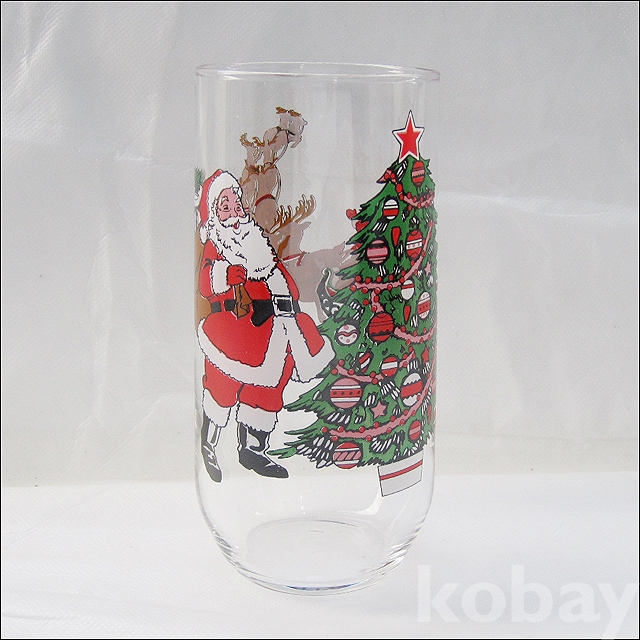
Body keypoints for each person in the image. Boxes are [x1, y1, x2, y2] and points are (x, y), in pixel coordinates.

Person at [196, 170, 334, 481]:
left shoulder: (256, 242)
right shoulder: (217, 243)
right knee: (222, 385)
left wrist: (288, 300)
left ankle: (253, 449)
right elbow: (205, 281)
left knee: (268, 386)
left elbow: (278, 276)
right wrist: (226, 275)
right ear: (215, 214)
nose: (234, 212)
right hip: (231, 327)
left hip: (269, 329)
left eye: (237, 204)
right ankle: (210, 441)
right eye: (225, 206)